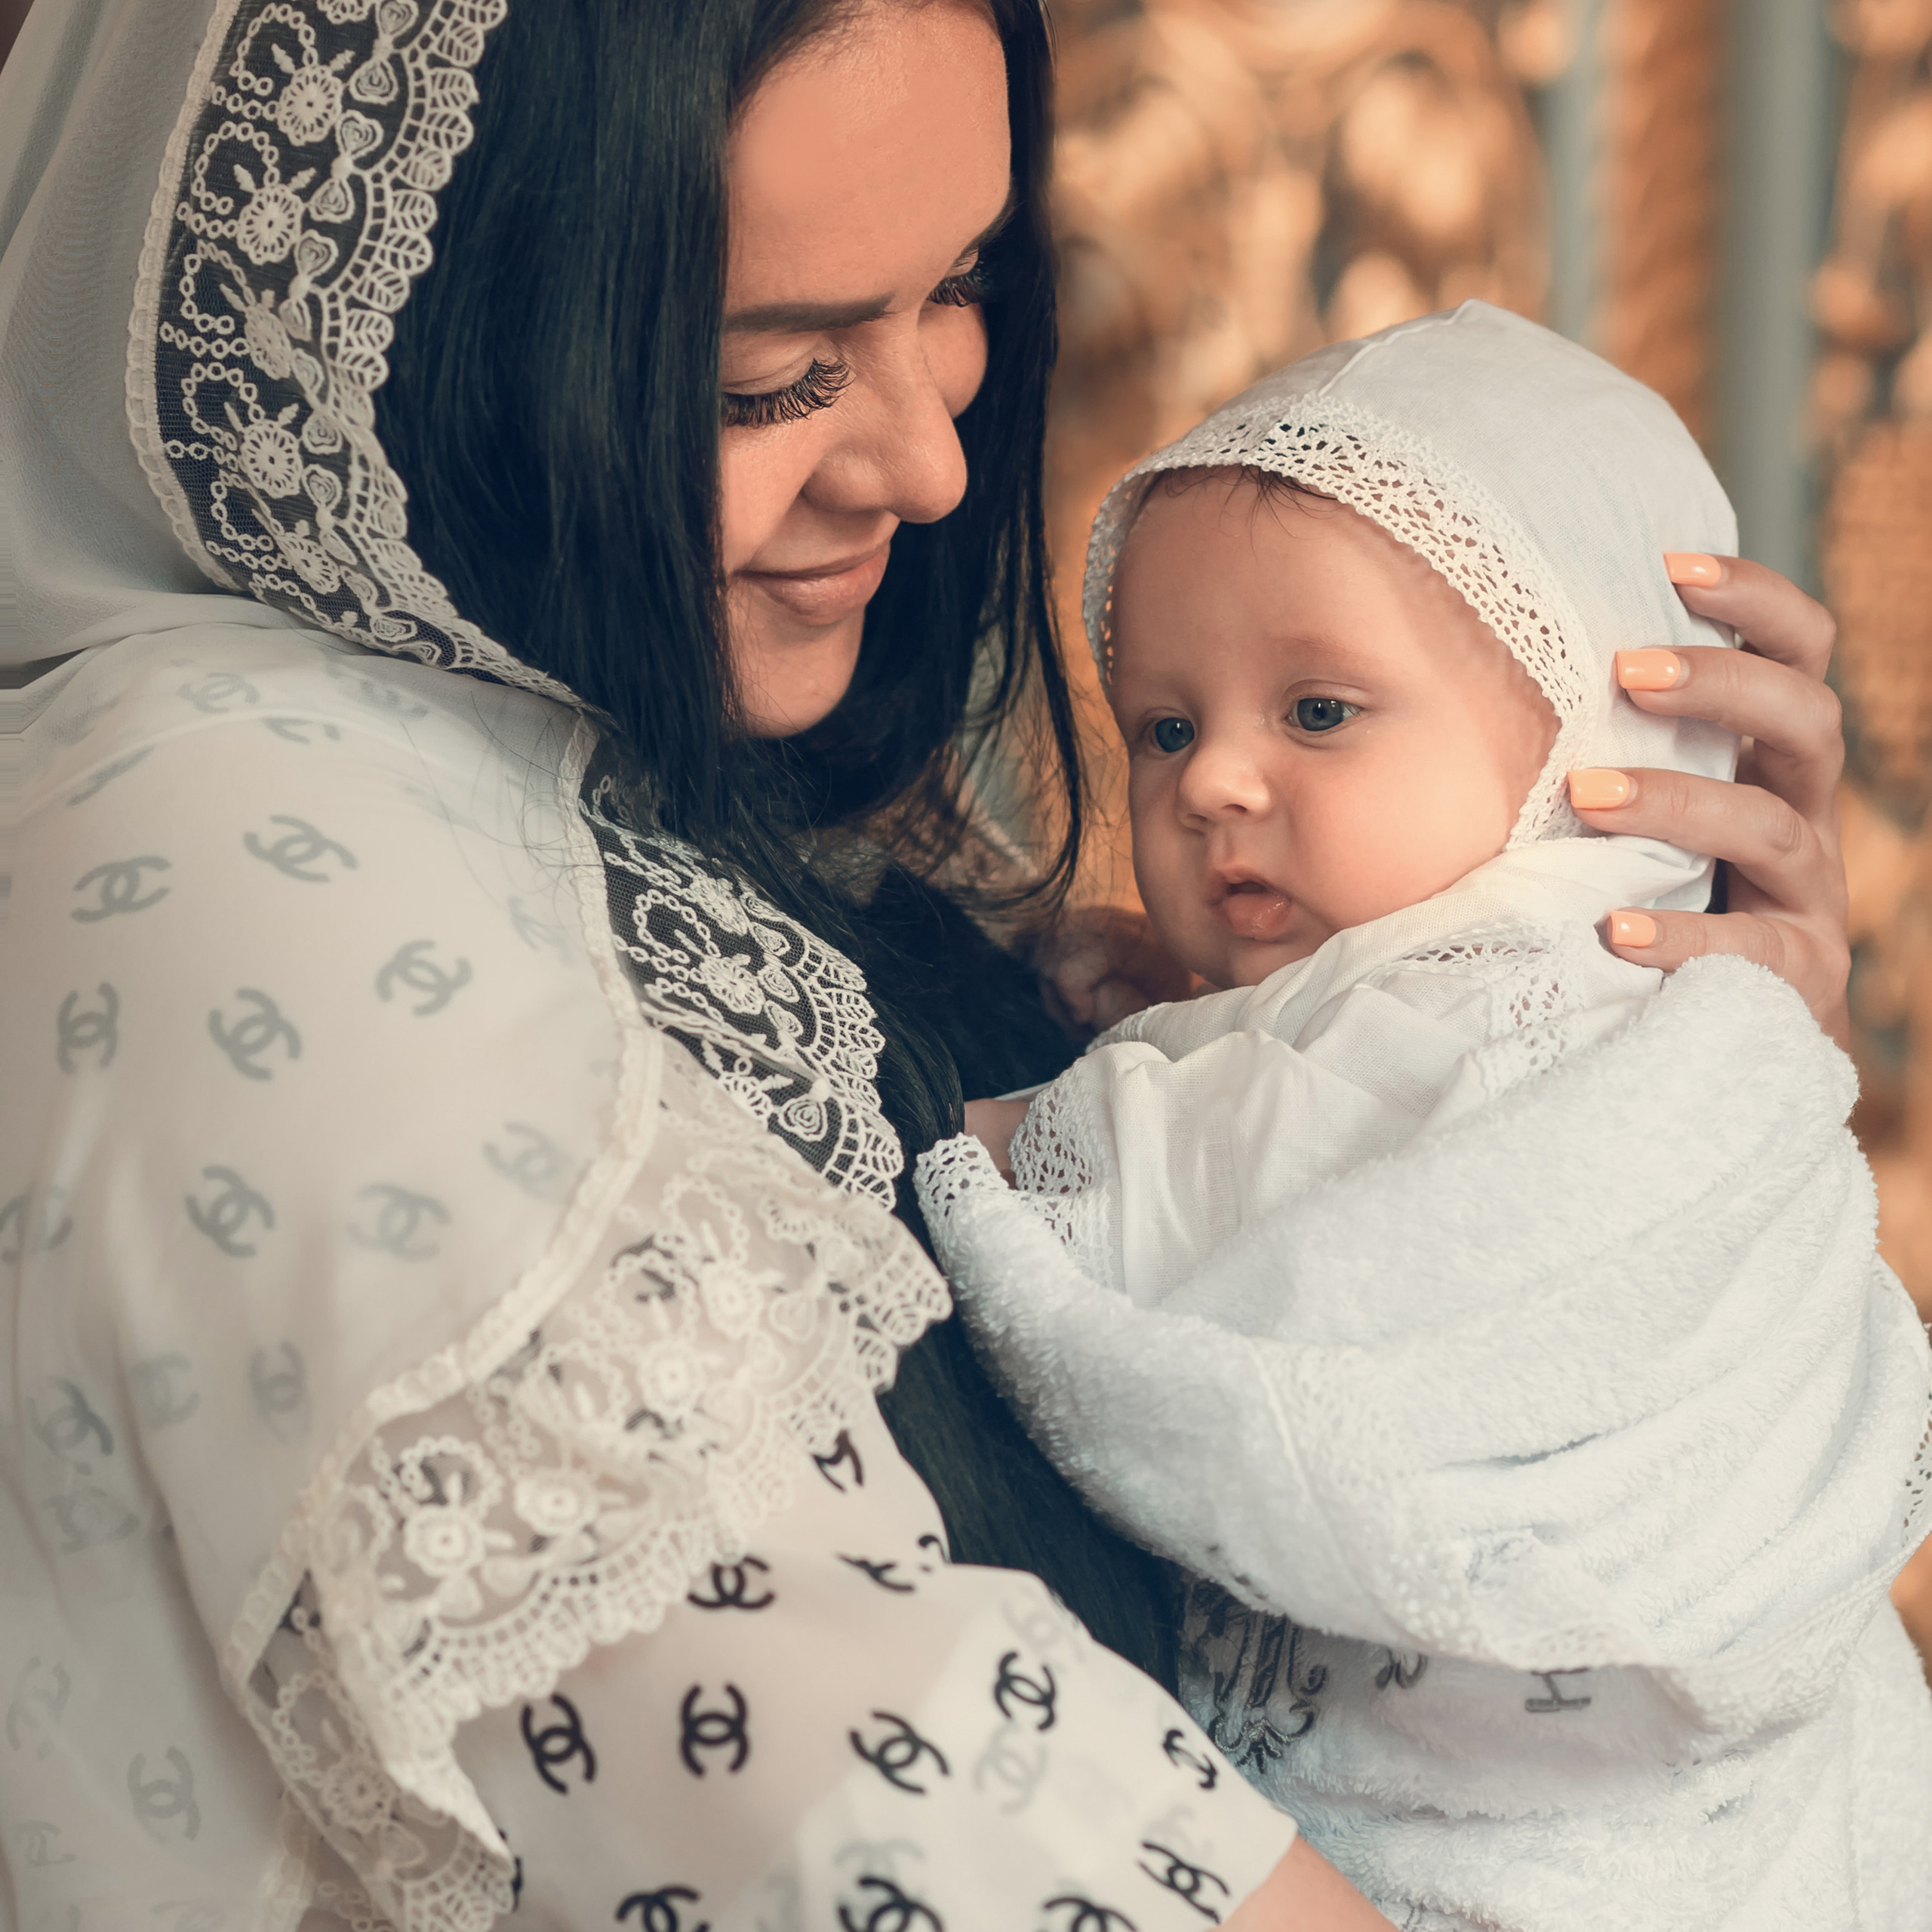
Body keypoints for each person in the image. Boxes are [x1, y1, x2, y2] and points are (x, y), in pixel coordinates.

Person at [0, 0, 1853, 1925]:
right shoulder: (232, 855)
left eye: (956, 285)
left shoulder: (664, 787)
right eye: (771, 374)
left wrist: (1631, 1102)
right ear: (424, 332)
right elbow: (929, 1825)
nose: (929, 462)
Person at [917, 306, 1932, 1931]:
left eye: (1315, 711)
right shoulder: (1669, 1007)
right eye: (1166, 726)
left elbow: (1191, 1186)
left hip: (1525, 1811)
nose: (1207, 786)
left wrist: (984, 1128)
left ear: (1597, 737)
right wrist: (1193, 1014)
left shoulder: (1523, 993)